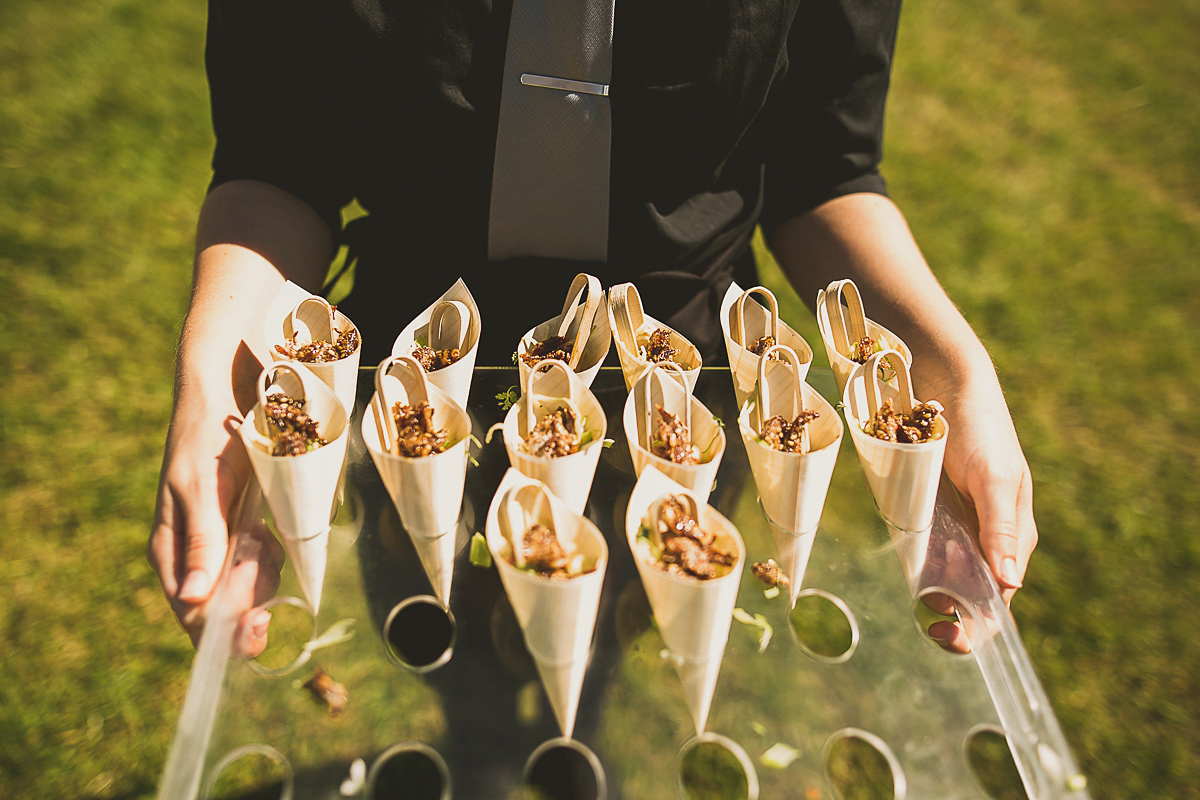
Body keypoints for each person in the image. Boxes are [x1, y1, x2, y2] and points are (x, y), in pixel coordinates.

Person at [150, 0, 1037, 657]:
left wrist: (951, 365)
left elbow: (824, 169)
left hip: (678, 404)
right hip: (411, 380)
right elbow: (278, 158)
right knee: (430, 631)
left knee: (611, 641)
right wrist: (217, 379)